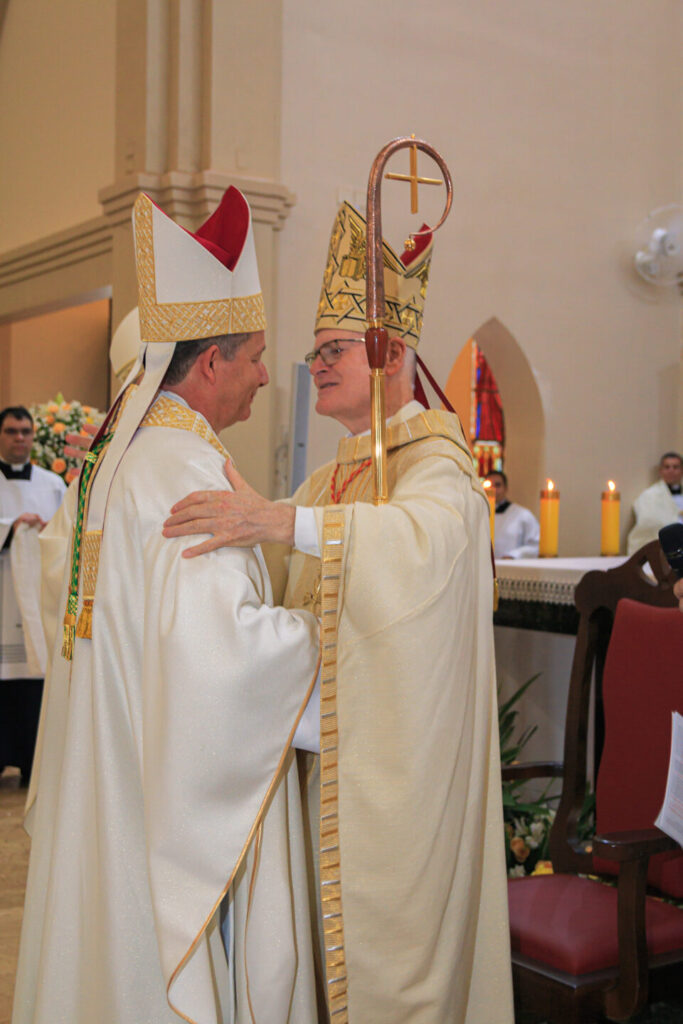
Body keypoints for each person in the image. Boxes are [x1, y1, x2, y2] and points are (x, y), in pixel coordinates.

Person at [163, 200, 514, 1023]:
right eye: (313, 353)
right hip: (331, 771)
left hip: (403, 788)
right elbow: (284, 558)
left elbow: (423, 545)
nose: (314, 365)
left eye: (332, 350)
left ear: (390, 354)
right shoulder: (334, 478)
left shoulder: (441, 470)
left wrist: (279, 521)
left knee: (395, 974)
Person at [12, 188, 322, 1024]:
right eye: (255, 355)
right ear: (210, 362)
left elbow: (65, 594)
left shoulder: (115, 464)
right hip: (162, 791)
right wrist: (333, 639)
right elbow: (219, 658)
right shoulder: (183, 470)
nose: (266, 373)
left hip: (108, 765)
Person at [0, 406, 65, 785]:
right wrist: (12, 529)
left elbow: (63, 535)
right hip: (4, 591)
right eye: (11, 431)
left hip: (36, 596)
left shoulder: (53, 484)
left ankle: (30, 763)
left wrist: (42, 532)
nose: (19, 437)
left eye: (25, 431)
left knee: (32, 678)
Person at [627, 451, 683, 554]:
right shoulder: (649, 496)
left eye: (675, 467)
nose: (671, 470)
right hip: (665, 549)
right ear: (660, 471)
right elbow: (648, 524)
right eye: (667, 467)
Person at [485, 469, 540, 559]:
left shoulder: (523, 515)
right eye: (489, 485)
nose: (493, 489)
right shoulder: (477, 515)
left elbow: (536, 545)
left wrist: (513, 555)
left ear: (506, 488)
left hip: (511, 568)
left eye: (498, 485)